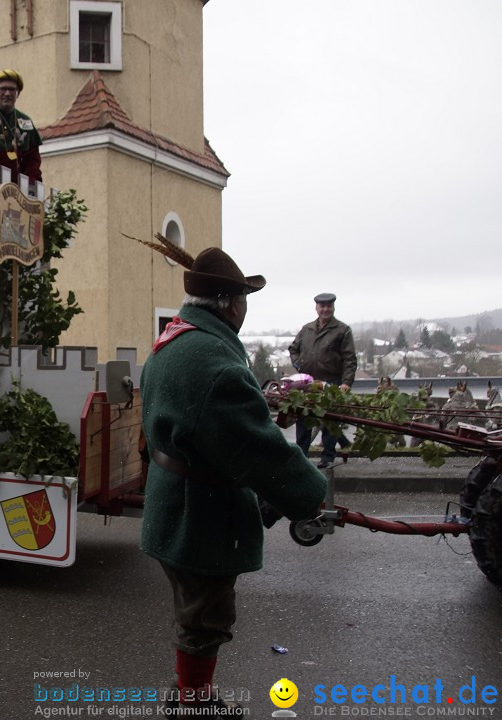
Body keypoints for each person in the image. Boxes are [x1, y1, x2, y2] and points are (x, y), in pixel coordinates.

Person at [138, 245, 326, 714]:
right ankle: (193, 703)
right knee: (205, 616)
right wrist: (310, 493)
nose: (245, 306)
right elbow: (257, 449)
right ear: (228, 303)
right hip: (198, 514)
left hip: (174, 501)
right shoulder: (213, 362)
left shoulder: (176, 339)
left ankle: (189, 694)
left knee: (195, 611)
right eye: (243, 297)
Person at [288, 292, 357, 469]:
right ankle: (301, 456)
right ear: (316, 308)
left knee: (329, 421)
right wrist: (298, 364)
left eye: (329, 306)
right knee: (303, 419)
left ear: (333, 307)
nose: (325, 309)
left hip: (331, 381)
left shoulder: (342, 330)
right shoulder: (307, 329)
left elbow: (350, 358)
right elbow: (293, 348)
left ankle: (327, 457)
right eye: (322, 306)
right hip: (307, 384)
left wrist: (346, 383)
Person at [0, 69, 42, 184]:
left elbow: (32, 160)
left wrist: (32, 184)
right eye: (3, 89)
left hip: (16, 190)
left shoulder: (25, 121)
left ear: (17, 93)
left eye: (12, 89)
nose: (7, 93)